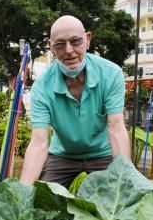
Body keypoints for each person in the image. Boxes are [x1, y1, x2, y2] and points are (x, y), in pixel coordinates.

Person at [20, 15, 131, 187]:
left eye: (75, 41)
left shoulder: (110, 74)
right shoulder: (42, 86)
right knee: (41, 201)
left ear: (87, 39)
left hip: (102, 154)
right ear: (51, 47)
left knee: (117, 198)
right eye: (60, 44)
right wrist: (23, 190)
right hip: (62, 155)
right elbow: (38, 142)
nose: (69, 50)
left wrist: (126, 179)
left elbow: (116, 129)